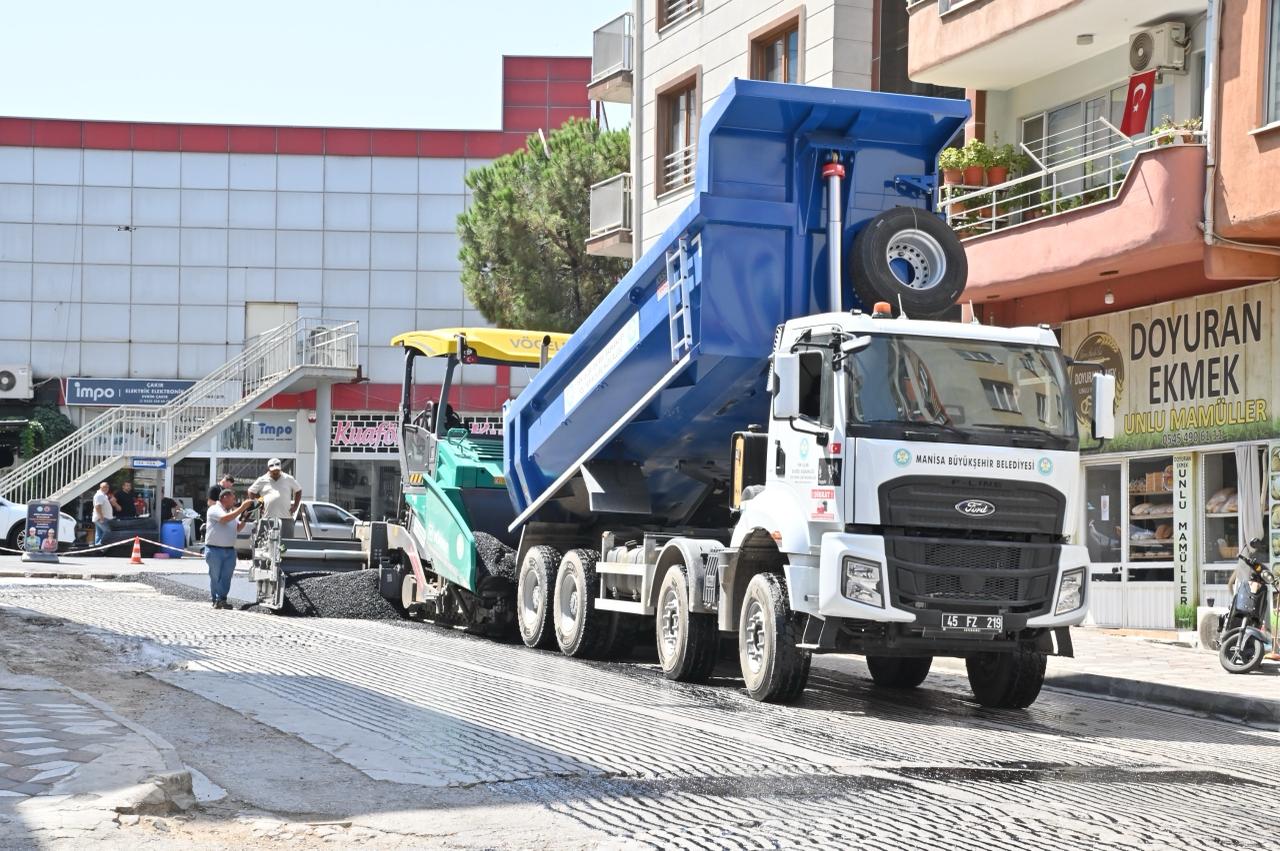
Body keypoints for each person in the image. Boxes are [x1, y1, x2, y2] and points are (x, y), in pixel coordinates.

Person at [204, 489, 253, 609]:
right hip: (214, 549)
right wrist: (241, 508)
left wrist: (244, 518)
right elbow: (224, 519)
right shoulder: (214, 509)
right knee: (215, 576)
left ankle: (222, 599)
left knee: (226, 576)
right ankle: (216, 599)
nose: (234, 501)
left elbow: (237, 528)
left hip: (229, 550)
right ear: (224, 497)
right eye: (233, 498)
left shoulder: (231, 512)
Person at [247, 459, 302, 538]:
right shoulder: (262, 479)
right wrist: (260, 502)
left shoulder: (288, 478)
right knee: (266, 543)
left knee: (286, 544)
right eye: (273, 471)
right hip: (268, 517)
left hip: (286, 517)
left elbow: (298, 490)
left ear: (280, 469)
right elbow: (251, 492)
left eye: (277, 471)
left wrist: (296, 506)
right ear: (268, 470)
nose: (276, 473)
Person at [92, 481, 113, 546]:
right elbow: (97, 506)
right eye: (104, 487)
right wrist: (101, 517)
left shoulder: (103, 495)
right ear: (100, 487)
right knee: (108, 532)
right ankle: (100, 546)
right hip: (101, 518)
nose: (106, 488)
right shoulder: (99, 495)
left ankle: (97, 548)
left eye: (107, 487)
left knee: (99, 534)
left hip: (101, 518)